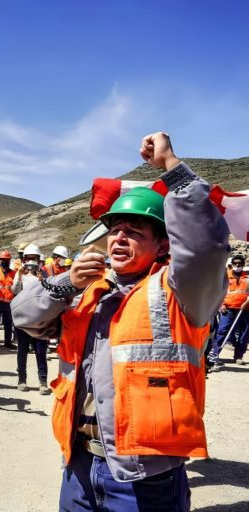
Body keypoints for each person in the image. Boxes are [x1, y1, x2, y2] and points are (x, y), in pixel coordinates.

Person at [12, 132, 229, 511]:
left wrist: (173, 169)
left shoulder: (180, 292)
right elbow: (24, 316)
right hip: (79, 461)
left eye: (133, 231)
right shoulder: (88, 291)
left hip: (146, 472)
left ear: (162, 245)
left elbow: (204, 248)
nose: (119, 239)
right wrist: (66, 281)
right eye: (114, 231)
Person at [11, 243, 49, 394]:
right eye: (29, 259)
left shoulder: (44, 275)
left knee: (41, 350)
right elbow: (14, 290)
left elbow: (50, 295)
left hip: (39, 318)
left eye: (34, 259)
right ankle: (22, 379)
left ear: (39, 260)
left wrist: (42, 281)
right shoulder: (19, 274)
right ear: (24, 259)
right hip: (23, 319)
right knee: (23, 349)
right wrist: (19, 276)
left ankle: (43, 381)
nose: (31, 262)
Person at [208, 254, 249, 367]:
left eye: (240, 264)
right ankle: (215, 354)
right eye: (235, 263)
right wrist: (221, 305)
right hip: (228, 309)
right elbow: (218, 292)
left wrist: (246, 303)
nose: (237, 265)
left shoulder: (247, 278)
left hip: (245, 310)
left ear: (243, 265)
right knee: (222, 332)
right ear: (231, 265)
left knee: (244, 334)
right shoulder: (225, 276)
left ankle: (238, 356)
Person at [0, 250, 16, 348]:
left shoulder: (13, 273)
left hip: (9, 303)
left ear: (9, 260)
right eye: (3, 259)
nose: (4, 261)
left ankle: (8, 342)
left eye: (6, 260)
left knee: (8, 324)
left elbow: (16, 288)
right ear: (0, 260)